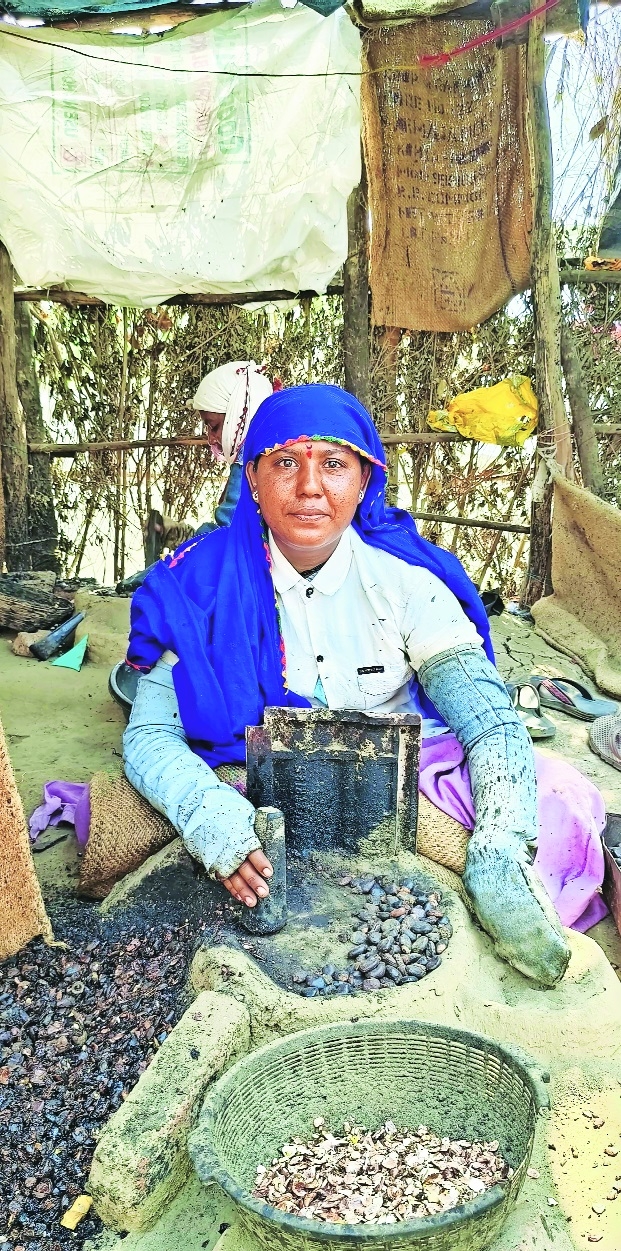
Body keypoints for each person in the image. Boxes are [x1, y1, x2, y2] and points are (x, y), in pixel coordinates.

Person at [123, 384, 607, 988]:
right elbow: (149, 736)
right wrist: (207, 813)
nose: (308, 487)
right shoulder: (196, 583)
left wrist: (499, 851)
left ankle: (510, 902)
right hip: (255, 768)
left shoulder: (405, 580)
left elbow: (488, 720)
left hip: (405, 758)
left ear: (364, 479)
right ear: (251, 478)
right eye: (284, 463)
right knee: (163, 832)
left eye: (332, 464)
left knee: (561, 797)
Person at [189, 360, 274, 529]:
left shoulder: (247, 459)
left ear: (238, 417)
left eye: (213, 427)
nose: (211, 439)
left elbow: (230, 527)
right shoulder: (274, 445)